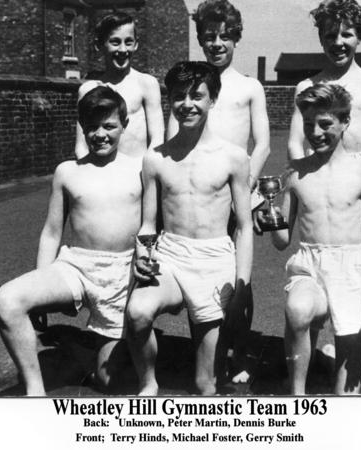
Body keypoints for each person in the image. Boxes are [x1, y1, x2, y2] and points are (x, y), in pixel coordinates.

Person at [0, 86, 142, 396]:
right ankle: (35, 391)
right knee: (7, 300)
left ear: (124, 125)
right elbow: (52, 232)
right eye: (92, 126)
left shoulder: (141, 168)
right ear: (81, 127)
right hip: (75, 266)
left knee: (109, 381)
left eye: (109, 126)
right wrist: (40, 280)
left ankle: (89, 350)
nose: (100, 134)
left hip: (122, 274)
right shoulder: (67, 171)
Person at [126, 61, 253, 396]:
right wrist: (142, 255)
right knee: (137, 313)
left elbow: (244, 226)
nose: (187, 104)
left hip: (214, 260)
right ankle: (148, 382)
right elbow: (148, 223)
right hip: (171, 255)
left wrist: (242, 285)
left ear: (213, 99)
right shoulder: (155, 159)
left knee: (206, 386)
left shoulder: (234, 157)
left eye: (197, 95)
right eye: (179, 96)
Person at [167, 0, 270, 383]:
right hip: (200, 193)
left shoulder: (249, 87)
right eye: (209, 36)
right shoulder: (190, 88)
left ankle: (239, 351)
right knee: (199, 273)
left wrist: (246, 183)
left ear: (236, 38)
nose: (217, 43)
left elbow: (262, 143)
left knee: (239, 275)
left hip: (239, 188)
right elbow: (172, 141)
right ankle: (206, 354)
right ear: (200, 39)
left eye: (225, 36)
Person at [264, 83, 361, 395]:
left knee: (345, 395)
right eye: (309, 125)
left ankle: (335, 370)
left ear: (345, 122)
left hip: (351, 268)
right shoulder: (296, 174)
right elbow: (282, 241)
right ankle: (297, 395)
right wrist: (268, 216)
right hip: (309, 264)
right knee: (297, 309)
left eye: (325, 124)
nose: (316, 133)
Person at [288, 0, 361, 171]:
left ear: (359, 38)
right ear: (321, 39)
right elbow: (294, 143)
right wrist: (305, 173)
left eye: (346, 35)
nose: (338, 43)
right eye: (330, 36)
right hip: (318, 171)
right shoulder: (305, 87)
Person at [75, 12, 164, 159]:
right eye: (115, 42)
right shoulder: (88, 89)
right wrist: (88, 171)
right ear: (99, 45)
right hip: (98, 170)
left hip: (137, 170)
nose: (123, 50)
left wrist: (149, 170)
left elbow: (157, 140)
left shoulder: (146, 84)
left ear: (136, 44)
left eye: (128, 42)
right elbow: (81, 146)